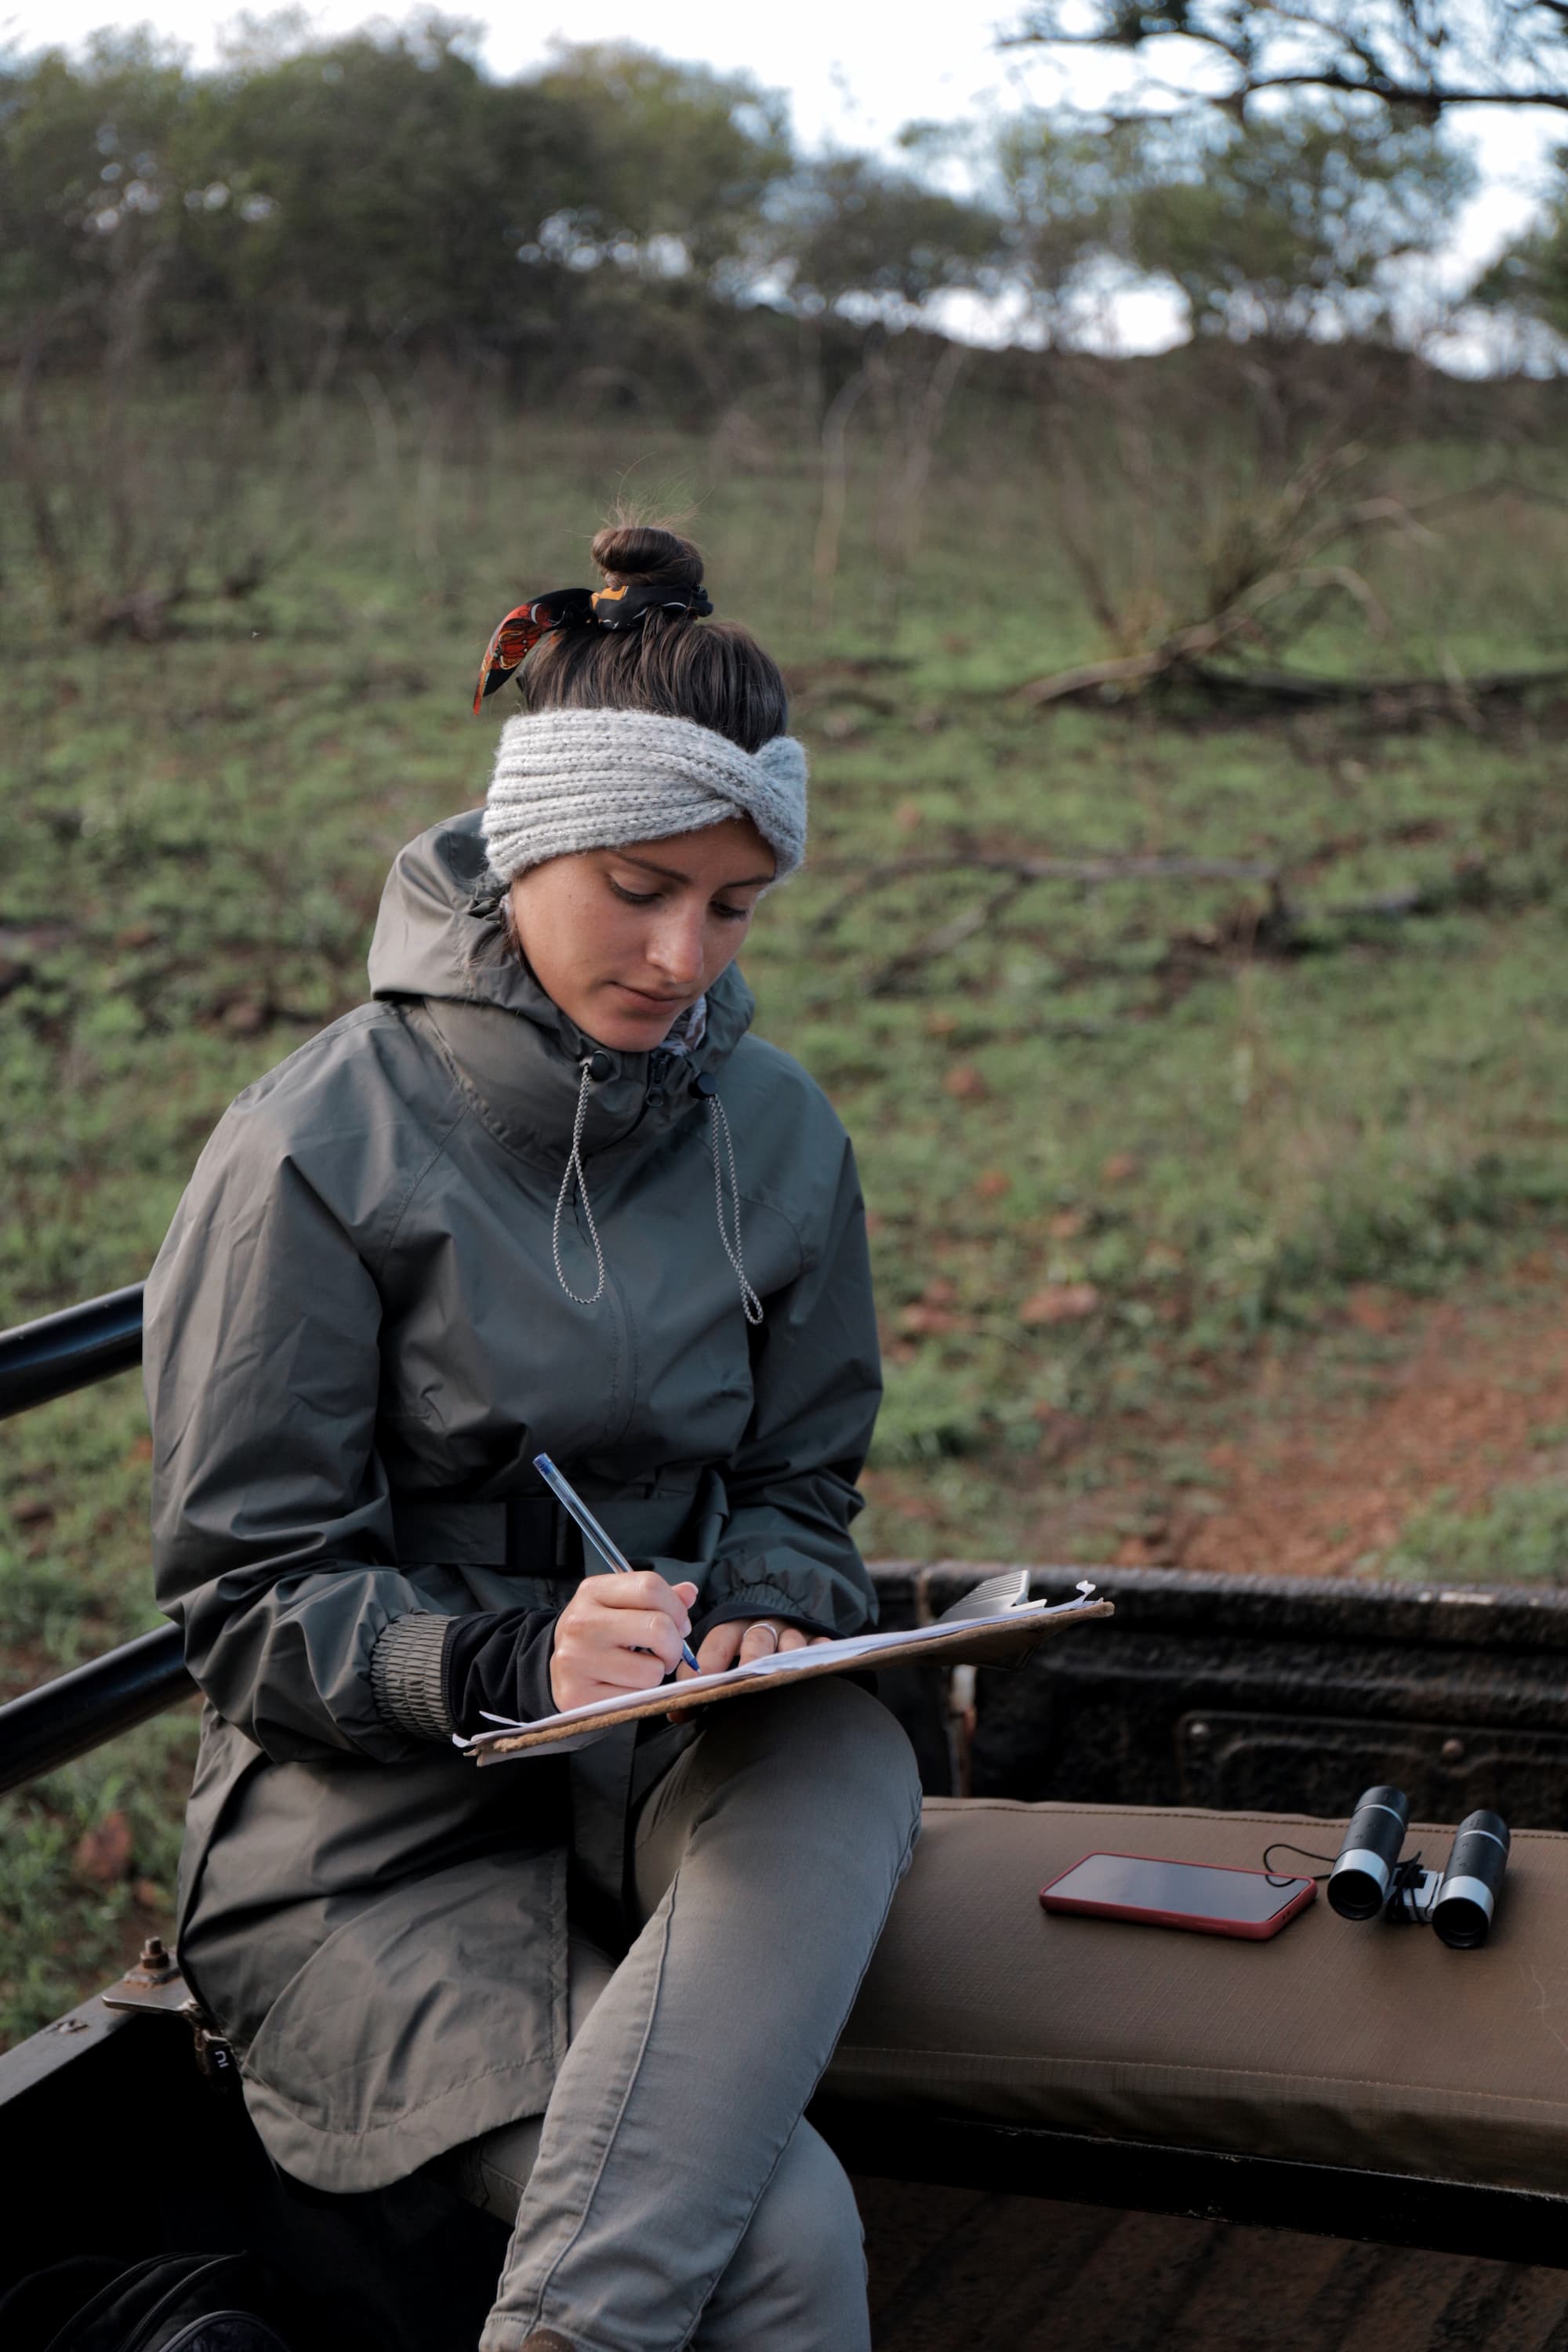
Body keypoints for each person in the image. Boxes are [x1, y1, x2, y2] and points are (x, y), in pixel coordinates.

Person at [142, 523, 924, 2352]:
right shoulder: (313, 1146)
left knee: (851, 1763)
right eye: (642, 889)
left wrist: (769, 1599)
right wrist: (506, 1654)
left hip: (668, 1775)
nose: (683, 956)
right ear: (528, 844)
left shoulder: (782, 1129)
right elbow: (249, 1605)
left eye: (734, 906)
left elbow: (805, 1477)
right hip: (378, 1837)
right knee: (783, 2243)